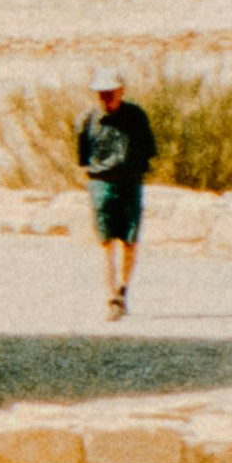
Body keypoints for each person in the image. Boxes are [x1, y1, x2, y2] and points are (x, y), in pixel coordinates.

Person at [76, 74, 159, 320]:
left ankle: (123, 290)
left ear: (121, 91)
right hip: (101, 184)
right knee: (106, 242)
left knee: (130, 240)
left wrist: (132, 169)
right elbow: (82, 157)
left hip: (130, 183)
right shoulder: (87, 120)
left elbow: (149, 150)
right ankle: (112, 296)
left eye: (111, 92)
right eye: (101, 93)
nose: (106, 98)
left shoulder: (136, 117)